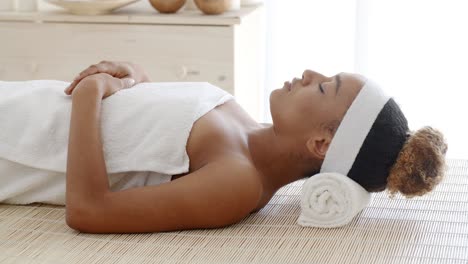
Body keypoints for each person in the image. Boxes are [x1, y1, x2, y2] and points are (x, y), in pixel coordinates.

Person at [1, 61, 447, 234]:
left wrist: (88, 95)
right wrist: (129, 75)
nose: (309, 72)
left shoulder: (237, 183)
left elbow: (89, 211)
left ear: (321, 142)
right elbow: (149, 125)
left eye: (324, 87)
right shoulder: (239, 118)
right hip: (26, 103)